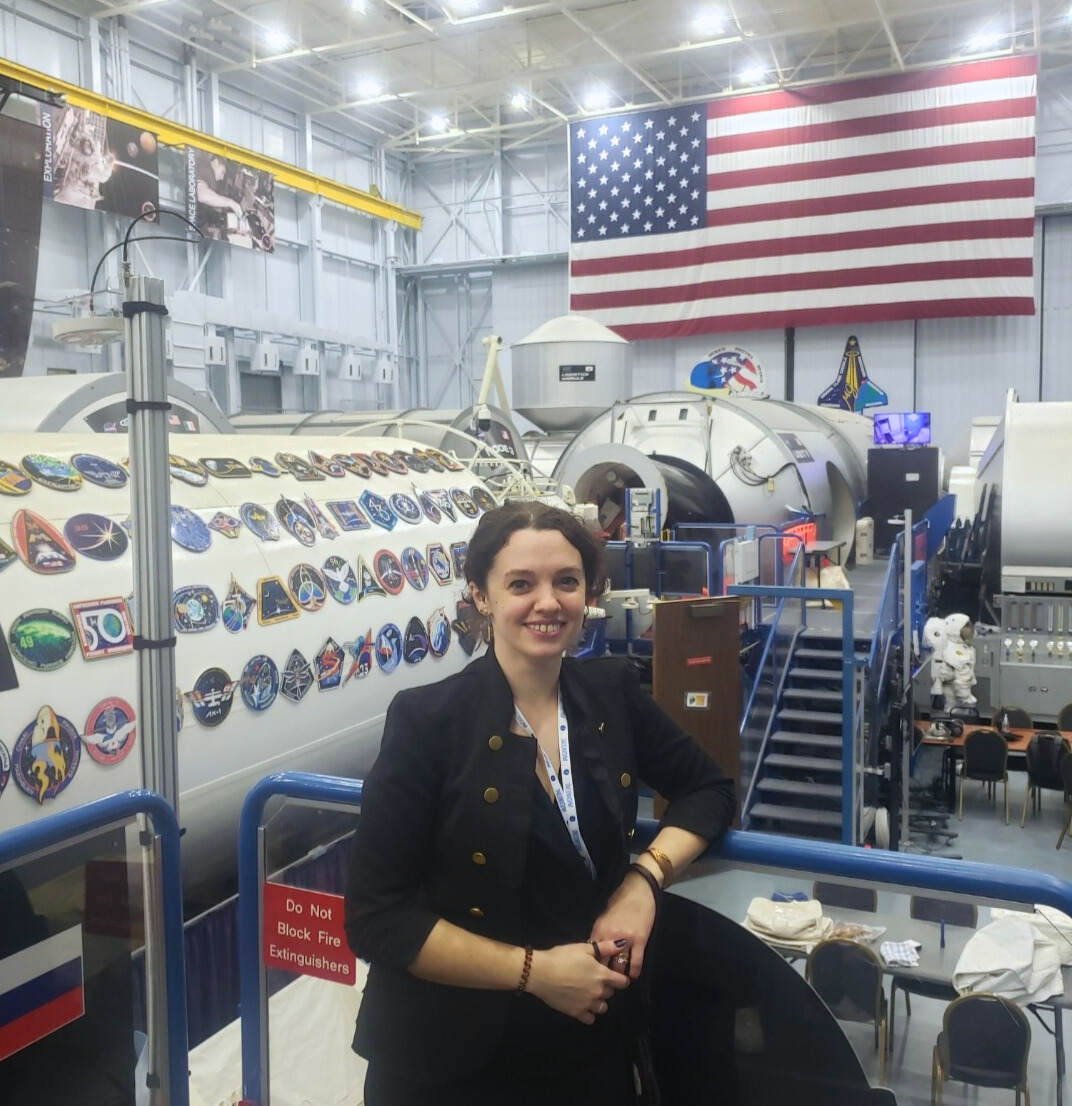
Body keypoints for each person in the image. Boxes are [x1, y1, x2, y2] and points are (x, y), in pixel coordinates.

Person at [344, 500, 736, 1105]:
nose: (548, 603)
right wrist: (536, 973)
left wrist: (643, 883)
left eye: (567, 582)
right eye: (521, 584)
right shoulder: (428, 722)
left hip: (585, 1042)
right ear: (481, 596)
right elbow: (377, 919)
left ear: (589, 594)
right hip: (450, 1061)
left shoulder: (611, 693)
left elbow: (709, 789)